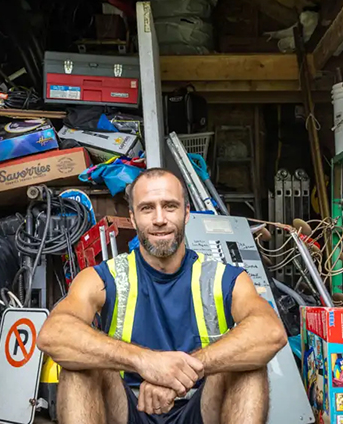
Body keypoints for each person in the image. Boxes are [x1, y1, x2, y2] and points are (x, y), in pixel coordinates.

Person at [37, 168, 287, 424]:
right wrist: (144, 361)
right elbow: (54, 335)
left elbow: (270, 333)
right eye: (147, 208)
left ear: (186, 213)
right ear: (133, 219)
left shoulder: (225, 278)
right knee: (79, 365)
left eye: (169, 206)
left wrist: (179, 375)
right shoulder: (102, 278)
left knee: (249, 366)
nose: (159, 219)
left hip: (199, 406)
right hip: (128, 408)